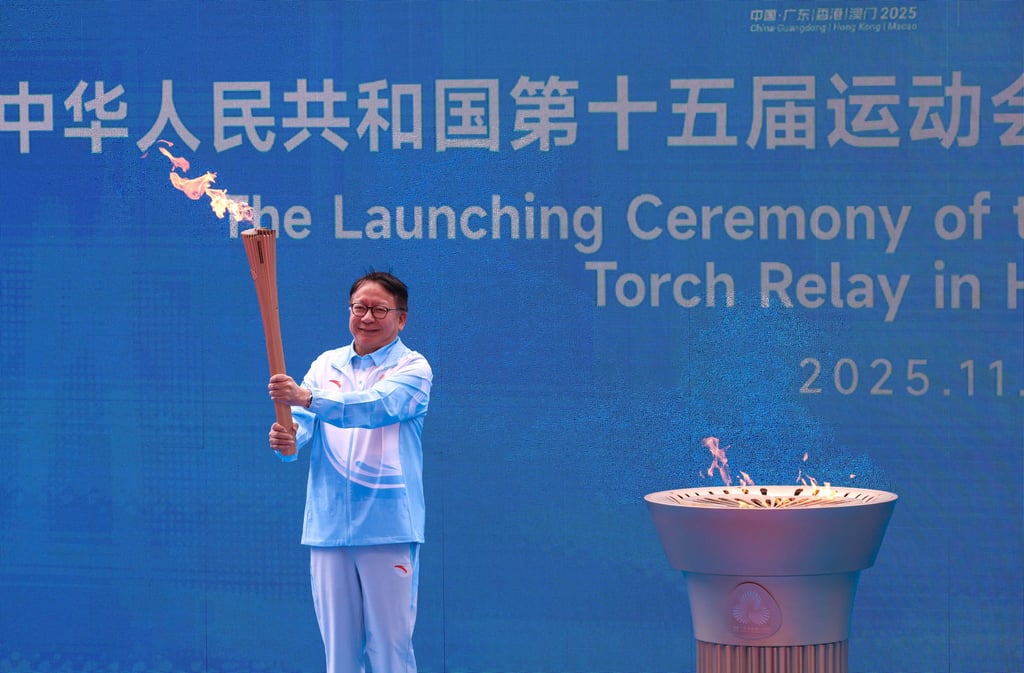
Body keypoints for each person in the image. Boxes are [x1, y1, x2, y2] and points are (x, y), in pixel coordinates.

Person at [266, 270, 432, 673]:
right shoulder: (326, 364)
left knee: (390, 651)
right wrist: (288, 439)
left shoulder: (413, 368)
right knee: (339, 656)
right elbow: (303, 424)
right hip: (328, 527)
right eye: (360, 307)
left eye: (379, 309)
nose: (367, 317)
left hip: (386, 525)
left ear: (401, 318)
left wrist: (306, 397)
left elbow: (375, 406)